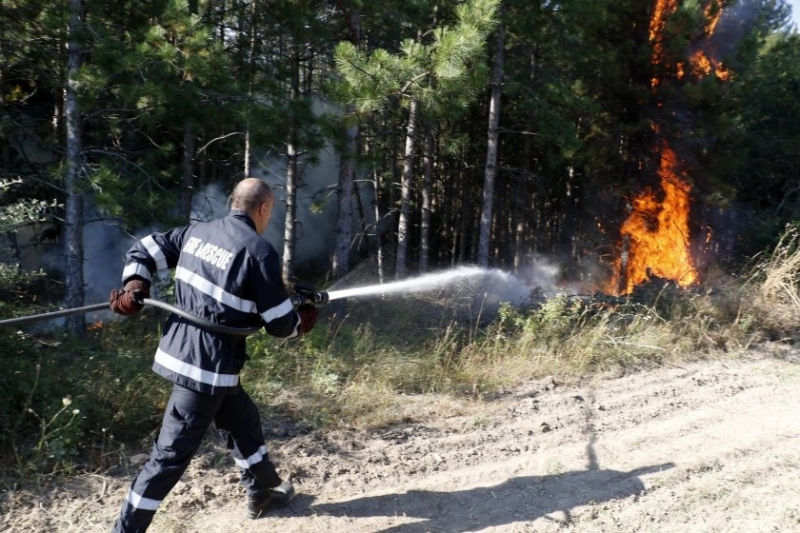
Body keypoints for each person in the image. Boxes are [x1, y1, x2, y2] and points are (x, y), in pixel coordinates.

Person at [108, 177, 318, 533]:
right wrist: (305, 318)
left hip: (200, 360)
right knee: (168, 459)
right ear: (264, 208)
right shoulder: (258, 251)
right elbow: (280, 325)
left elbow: (143, 249)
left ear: (233, 201)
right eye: (270, 211)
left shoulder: (197, 233)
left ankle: (262, 492)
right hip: (205, 370)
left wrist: (135, 283)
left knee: (243, 421)